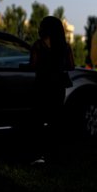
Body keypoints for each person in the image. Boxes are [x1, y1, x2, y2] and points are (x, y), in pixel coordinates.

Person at [28, 15, 75, 165]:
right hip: (58, 86)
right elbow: (71, 66)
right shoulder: (65, 46)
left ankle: (39, 155)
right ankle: (57, 154)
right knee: (56, 121)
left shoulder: (38, 45)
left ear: (44, 29)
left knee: (38, 121)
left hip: (42, 85)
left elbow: (33, 65)